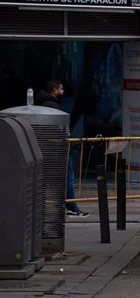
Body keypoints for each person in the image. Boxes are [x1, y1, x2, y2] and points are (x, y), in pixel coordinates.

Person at [36, 79, 89, 218]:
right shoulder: (53, 106)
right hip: (58, 148)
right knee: (68, 176)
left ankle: (46, 207)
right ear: (54, 90)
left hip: (45, 147)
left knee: (47, 178)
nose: (63, 91)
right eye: (61, 89)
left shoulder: (40, 104)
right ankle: (71, 206)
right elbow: (61, 129)